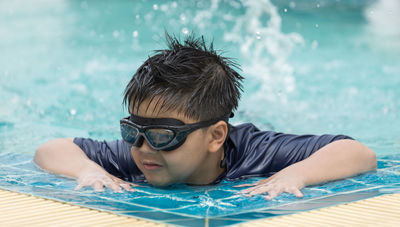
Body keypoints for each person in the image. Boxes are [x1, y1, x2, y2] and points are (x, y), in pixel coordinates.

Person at [34, 32, 377, 200]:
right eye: (131, 130)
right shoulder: (142, 153)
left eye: (164, 135)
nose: (144, 147)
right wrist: (87, 169)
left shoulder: (255, 151)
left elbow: (357, 153)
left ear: (215, 136)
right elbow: (50, 149)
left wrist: (294, 176)